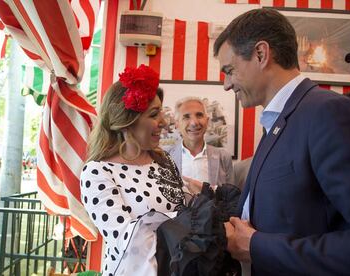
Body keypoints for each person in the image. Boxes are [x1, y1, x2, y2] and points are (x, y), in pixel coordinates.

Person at [213, 8, 350, 275]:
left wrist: (258, 246)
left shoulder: (330, 114)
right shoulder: (279, 119)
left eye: (229, 70)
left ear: (261, 54)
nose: (226, 84)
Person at [80, 65, 240, 275]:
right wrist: (209, 230)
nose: (164, 122)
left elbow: (186, 207)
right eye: (154, 114)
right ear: (127, 121)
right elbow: (128, 242)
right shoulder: (98, 172)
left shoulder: (163, 160)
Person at [167, 97, 234, 188]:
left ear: (207, 121)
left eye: (199, 115)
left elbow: (231, 197)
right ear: (177, 124)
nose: (194, 123)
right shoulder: (166, 158)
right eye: (186, 117)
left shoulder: (223, 157)